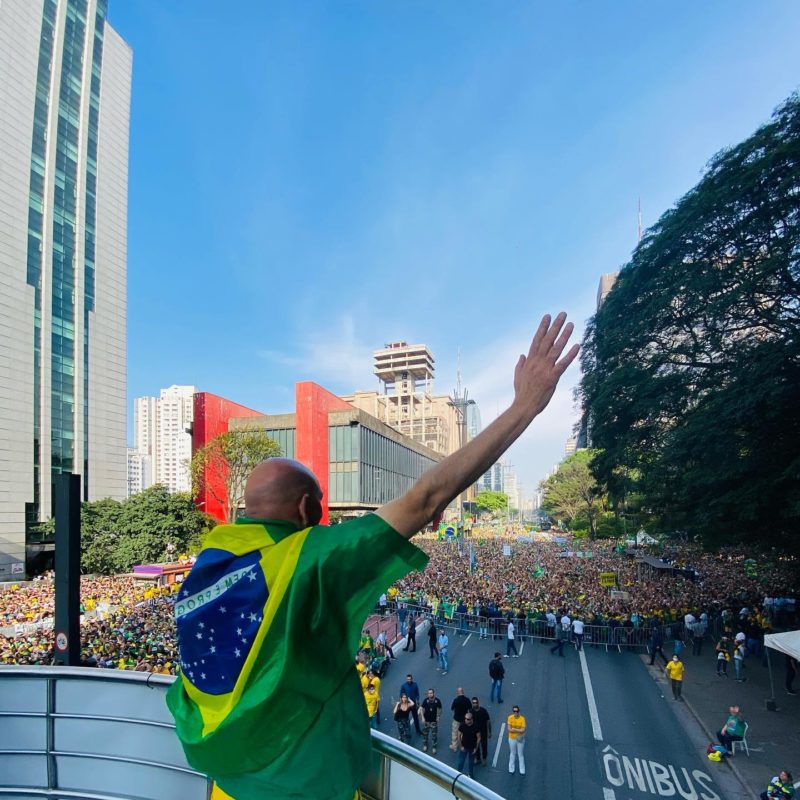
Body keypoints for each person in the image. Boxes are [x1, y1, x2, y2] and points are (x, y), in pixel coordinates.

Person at [167, 313, 579, 800]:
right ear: (306, 508)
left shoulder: (212, 558)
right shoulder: (307, 558)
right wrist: (525, 407)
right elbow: (425, 498)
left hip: (222, 772)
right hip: (296, 781)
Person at [456, 713, 481, 780]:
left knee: (471, 762)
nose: (467, 720)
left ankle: (470, 774)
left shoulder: (476, 726)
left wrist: (476, 748)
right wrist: (461, 746)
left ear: (471, 719)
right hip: (464, 747)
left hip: (472, 748)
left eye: (468, 719)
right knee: (461, 761)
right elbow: (458, 736)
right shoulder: (462, 725)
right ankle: (458, 773)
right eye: (466, 719)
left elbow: (478, 737)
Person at [420, 688, 443, 754]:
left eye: (431, 693)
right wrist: (422, 717)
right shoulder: (425, 700)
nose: (430, 694)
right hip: (426, 721)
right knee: (425, 734)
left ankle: (434, 747)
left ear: (433, 693)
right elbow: (421, 708)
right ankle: (425, 745)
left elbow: (440, 709)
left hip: (433, 722)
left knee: (434, 736)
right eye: (429, 693)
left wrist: (438, 716)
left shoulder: (437, 701)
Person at [471, 697, 491, 765]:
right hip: (474, 732)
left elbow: (488, 721)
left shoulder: (483, 711)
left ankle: (484, 758)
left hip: (483, 731)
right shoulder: (470, 711)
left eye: (476, 702)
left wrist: (489, 732)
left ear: (478, 703)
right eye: (473, 703)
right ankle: (478, 758)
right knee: (476, 745)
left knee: (484, 746)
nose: (475, 704)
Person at [507, 705, 527, 775]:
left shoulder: (522, 719)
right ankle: (511, 769)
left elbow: (523, 730)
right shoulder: (510, 718)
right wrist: (518, 730)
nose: (515, 712)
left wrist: (514, 729)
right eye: (514, 711)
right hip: (512, 738)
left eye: (517, 711)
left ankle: (522, 770)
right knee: (512, 753)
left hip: (520, 739)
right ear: (513, 711)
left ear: (519, 711)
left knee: (520, 754)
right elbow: (509, 729)